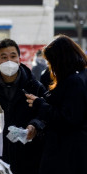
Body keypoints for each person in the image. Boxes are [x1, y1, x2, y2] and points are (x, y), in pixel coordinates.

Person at [0, 39, 47, 174]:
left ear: (19, 59)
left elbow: (45, 111)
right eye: (4, 57)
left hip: (29, 154)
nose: (9, 61)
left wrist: (35, 125)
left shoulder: (33, 86)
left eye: (13, 56)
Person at [25, 35, 87, 174]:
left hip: (68, 154)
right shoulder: (77, 77)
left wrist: (40, 104)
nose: (49, 67)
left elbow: (69, 118)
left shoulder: (74, 81)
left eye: (50, 62)